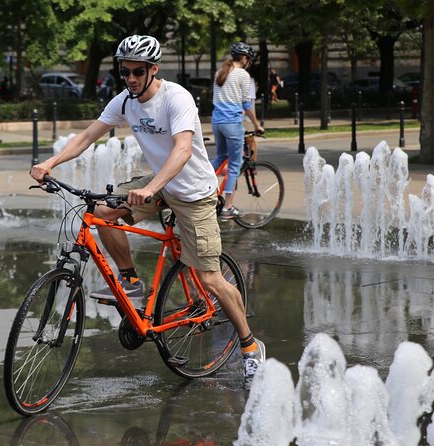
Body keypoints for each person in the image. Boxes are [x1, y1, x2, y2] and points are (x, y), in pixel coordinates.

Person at [30, 35, 265, 389]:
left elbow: (183, 149)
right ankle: (132, 282)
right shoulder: (125, 101)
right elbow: (88, 136)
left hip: (193, 193)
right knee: (101, 211)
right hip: (159, 184)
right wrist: (50, 162)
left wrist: (152, 189)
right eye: (124, 71)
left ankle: (249, 346)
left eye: (138, 71)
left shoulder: (176, 98)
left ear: (154, 70)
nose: (131, 78)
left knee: (210, 279)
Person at [210, 42, 264, 219]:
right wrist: (257, 125)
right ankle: (228, 207)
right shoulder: (242, 74)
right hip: (232, 123)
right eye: (249, 59)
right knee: (234, 164)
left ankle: (198, 178)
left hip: (217, 122)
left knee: (221, 157)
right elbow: (246, 104)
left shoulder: (220, 72)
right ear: (245, 58)